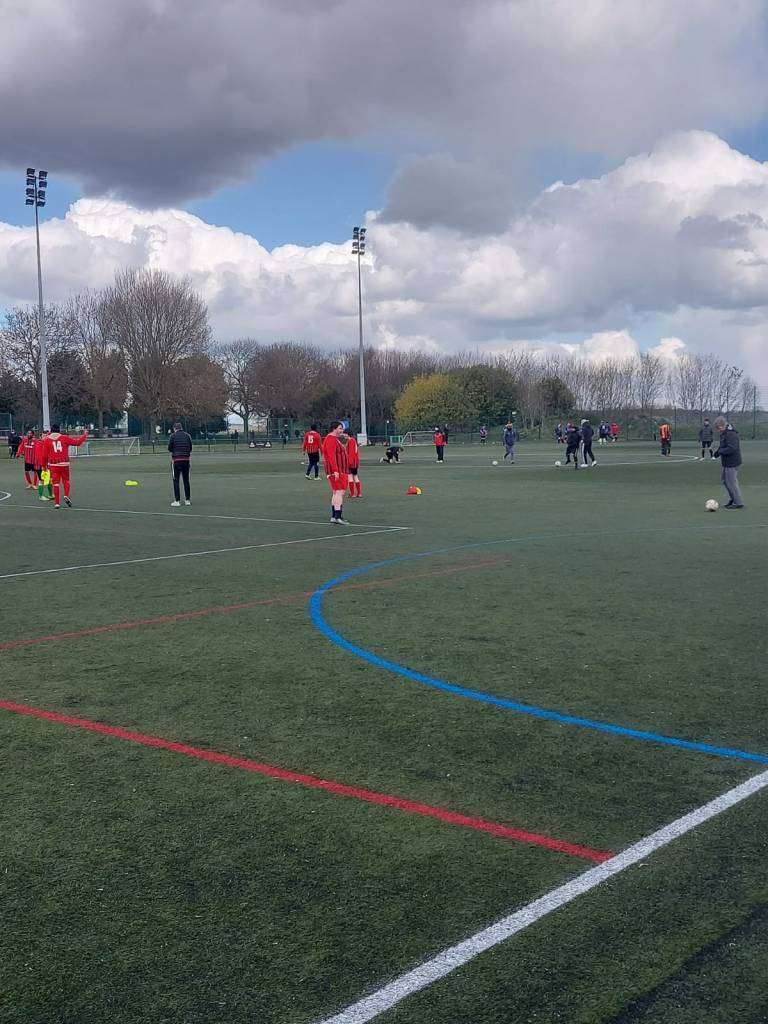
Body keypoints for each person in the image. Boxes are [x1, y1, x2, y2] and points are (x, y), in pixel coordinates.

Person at [41, 424, 89, 508]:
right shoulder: (64, 438)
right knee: (66, 480)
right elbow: (77, 443)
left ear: (51, 430)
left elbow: (44, 456)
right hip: (64, 463)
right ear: (59, 430)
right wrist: (85, 435)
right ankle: (66, 495)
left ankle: (56, 503)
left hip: (54, 464)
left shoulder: (47, 440)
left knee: (55, 483)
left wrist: (44, 467)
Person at [322, 421, 350, 524]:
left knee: (336, 492)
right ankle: (338, 516)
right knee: (339, 492)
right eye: (340, 428)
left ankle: (335, 516)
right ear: (334, 429)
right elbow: (331, 455)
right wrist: (335, 470)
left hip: (339, 469)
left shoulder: (334, 439)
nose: (342, 430)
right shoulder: (330, 439)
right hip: (337, 470)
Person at [713, 417, 744, 509]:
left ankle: (738, 502)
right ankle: (733, 499)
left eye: (719, 428)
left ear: (723, 425)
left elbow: (732, 448)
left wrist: (720, 451)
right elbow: (723, 445)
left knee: (731, 482)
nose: (718, 430)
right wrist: (717, 452)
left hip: (732, 461)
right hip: (726, 461)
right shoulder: (724, 433)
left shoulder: (731, 434)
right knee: (725, 480)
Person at [168, 421, 193, 507]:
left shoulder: (172, 436)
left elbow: (169, 448)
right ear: (181, 428)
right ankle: (187, 500)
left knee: (176, 480)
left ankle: (177, 501)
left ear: (174, 429)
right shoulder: (188, 436)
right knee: (186, 480)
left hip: (176, 460)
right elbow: (190, 448)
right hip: (186, 460)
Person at [344, 430, 362, 497]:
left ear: (347, 434)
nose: (343, 435)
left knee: (350, 477)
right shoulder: (353, 440)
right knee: (355, 477)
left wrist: (349, 463)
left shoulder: (351, 441)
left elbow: (351, 453)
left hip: (352, 462)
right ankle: (359, 493)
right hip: (355, 462)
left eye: (344, 434)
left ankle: (352, 494)